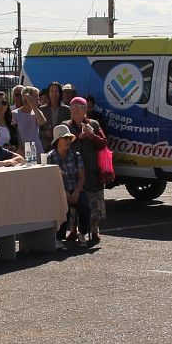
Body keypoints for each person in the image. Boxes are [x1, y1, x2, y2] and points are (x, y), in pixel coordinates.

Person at [64, 97, 108, 244]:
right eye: (73, 106)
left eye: (80, 106)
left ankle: (95, 231)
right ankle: (73, 230)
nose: (76, 109)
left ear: (85, 110)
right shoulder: (65, 126)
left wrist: (91, 136)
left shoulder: (94, 124)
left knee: (93, 200)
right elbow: (61, 144)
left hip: (91, 168)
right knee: (73, 200)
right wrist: (78, 137)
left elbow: (103, 143)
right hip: (71, 170)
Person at [48, 123, 89, 244]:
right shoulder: (50, 157)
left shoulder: (76, 155)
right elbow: (52, 180)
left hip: (76, 189)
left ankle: (82, 234)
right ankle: (59, 239)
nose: (68, 141)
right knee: (63, 209)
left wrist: (76, 192)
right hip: (60, 191)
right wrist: (64, 193)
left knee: (85, 207)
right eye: (65, 138)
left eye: (69, 138)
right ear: (57, 140)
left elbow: (82, 177)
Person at [13, 86, 45, 160]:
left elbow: (42, 122)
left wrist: (33, 106)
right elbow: (15, 135)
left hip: (37, 151)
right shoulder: (15, 114)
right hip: (22, 152)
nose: (38, 99)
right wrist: (22, 152)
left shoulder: (36, 112)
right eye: (36, 97)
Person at [38, 81, 67, 146]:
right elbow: (37, 130)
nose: (54, 94)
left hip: (61, 144)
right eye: (51, 91)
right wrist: (45, 133)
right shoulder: (42, 109)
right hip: (46, 145)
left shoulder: (66, 110)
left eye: (56, 91)